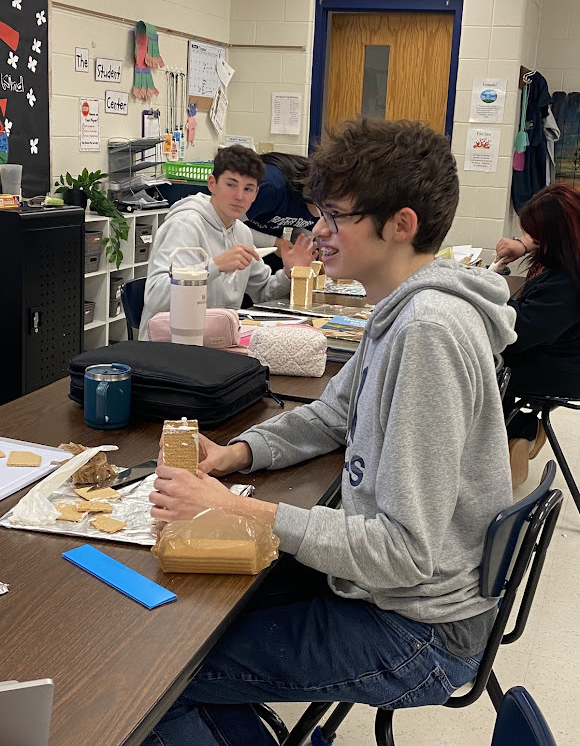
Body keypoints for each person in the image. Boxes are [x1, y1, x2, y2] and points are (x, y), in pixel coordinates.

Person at [143, 118, 516, 746]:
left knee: (160, 675)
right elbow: (333, 416)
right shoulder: (396, 308)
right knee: (194, 611)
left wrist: (242, 513)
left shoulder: (429, 331)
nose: (318, 232)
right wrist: (237, 454)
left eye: (335, 216)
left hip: (417, 628)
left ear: (401, 224)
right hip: (389, 591)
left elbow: (403, 552)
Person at [138, 145, 317, 339]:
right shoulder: (185, 225)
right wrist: (216, 266)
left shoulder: (241, 233)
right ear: (212, 184)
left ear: (256, 193)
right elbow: (156, 298)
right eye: (231, 185)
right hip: (170, 345)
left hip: (217, 342)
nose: (239, 196)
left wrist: (289, 274)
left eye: (248, 189)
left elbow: (263, 293)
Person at [502, 183, 580, 486]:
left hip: (561, 371)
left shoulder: (566, 282)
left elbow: (518, 334)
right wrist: (523, 244)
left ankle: (516, 431)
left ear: (556, 237)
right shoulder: (569, 257)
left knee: (481, 369)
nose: (536, 243)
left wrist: (491, 295)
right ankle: (522, 428)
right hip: (561, 356)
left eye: (539, 236)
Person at [244, 152, 318, 272]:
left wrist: (300, 257)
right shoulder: (272, 186)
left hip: (267, 247)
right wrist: (274, 243)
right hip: (233, 245)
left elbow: (303, 232)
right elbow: (229, 227)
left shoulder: (324, 205)